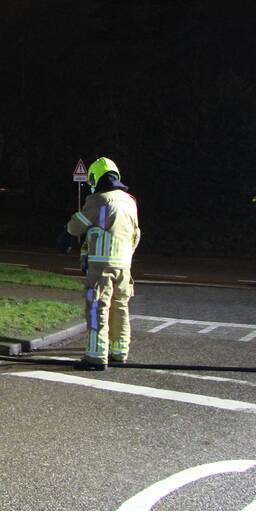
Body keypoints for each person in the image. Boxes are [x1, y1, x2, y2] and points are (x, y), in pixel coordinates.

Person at [66, 157, 141, 370]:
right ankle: (119, 351)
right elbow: (135, 234)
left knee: (97, 308)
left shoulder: (99, 200)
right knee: (120, 307)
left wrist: (69, 236)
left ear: (95, 178)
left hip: (101, 266)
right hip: (124, 265)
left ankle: (96, 356)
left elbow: (76, 226)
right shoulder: (130, 201)